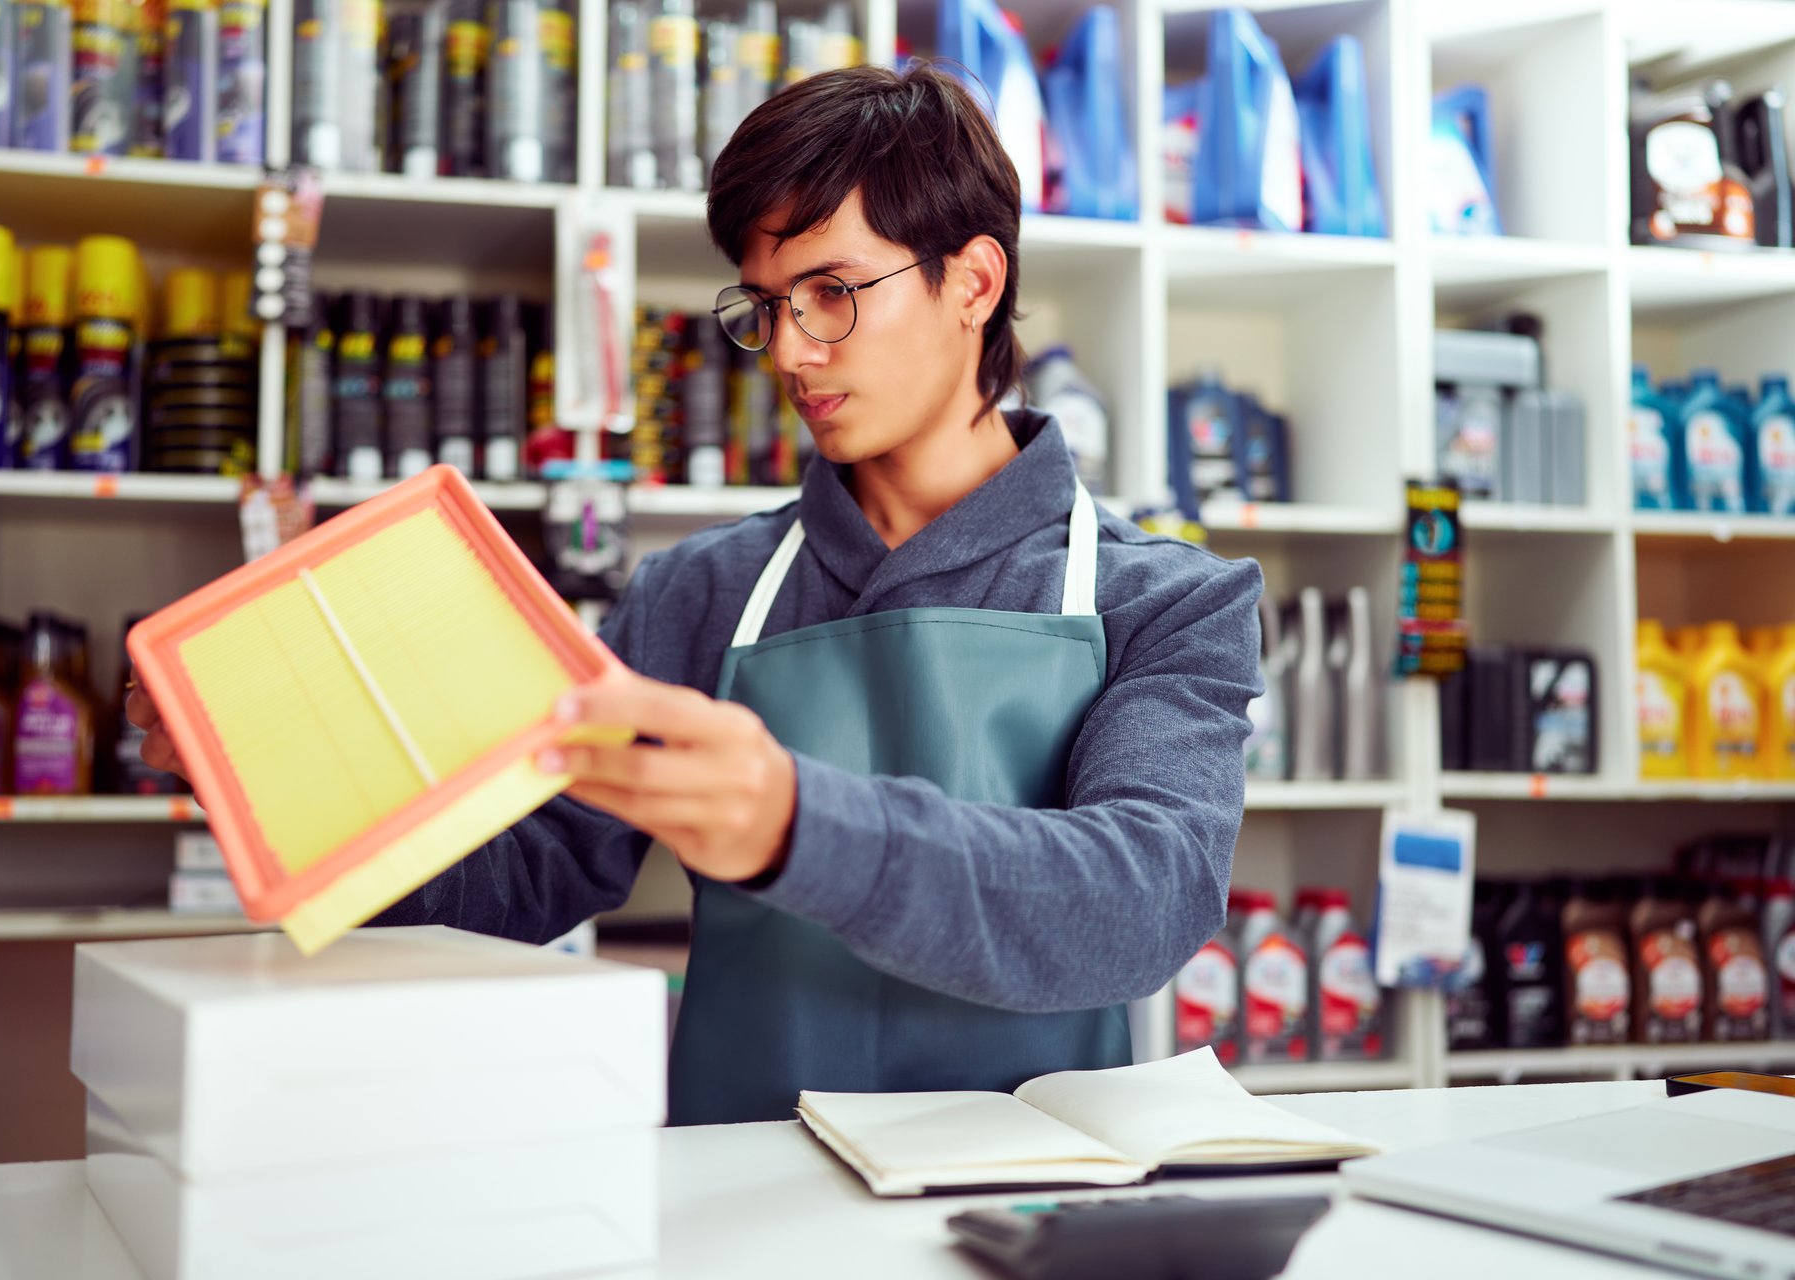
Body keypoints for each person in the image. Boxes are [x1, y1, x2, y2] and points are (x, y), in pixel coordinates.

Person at [128, 62, 1263, 1127]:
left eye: (831, 291)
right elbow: (536, 876)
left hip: (1036, 1194)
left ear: (973, 280)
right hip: (744, 1181)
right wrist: (290, 787)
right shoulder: (698, 592)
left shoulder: (1167, 601)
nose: (789, 352)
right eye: (767, 305)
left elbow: (1139, 898)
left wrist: (793, 822)